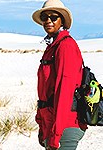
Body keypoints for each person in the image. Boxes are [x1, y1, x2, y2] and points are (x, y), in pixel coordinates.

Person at [32, 0, 87, 149]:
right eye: (45, 17)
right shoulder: (53, 47)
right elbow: (44, 92)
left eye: (53, 17)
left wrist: (56, 134)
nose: (48, 20)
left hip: (64, 127)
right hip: (51, 123)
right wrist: (42, 125)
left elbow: (65, 91)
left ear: (62, 20)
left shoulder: (66, 46)